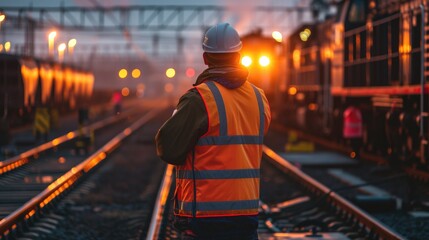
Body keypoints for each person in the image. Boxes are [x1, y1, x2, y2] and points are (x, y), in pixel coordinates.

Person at [155, 23, 271, 240]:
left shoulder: (198, 99)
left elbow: (168, 149)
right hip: (246, 213)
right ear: (238, 55)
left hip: (205, 217)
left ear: (206, 58)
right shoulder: (259, 98)